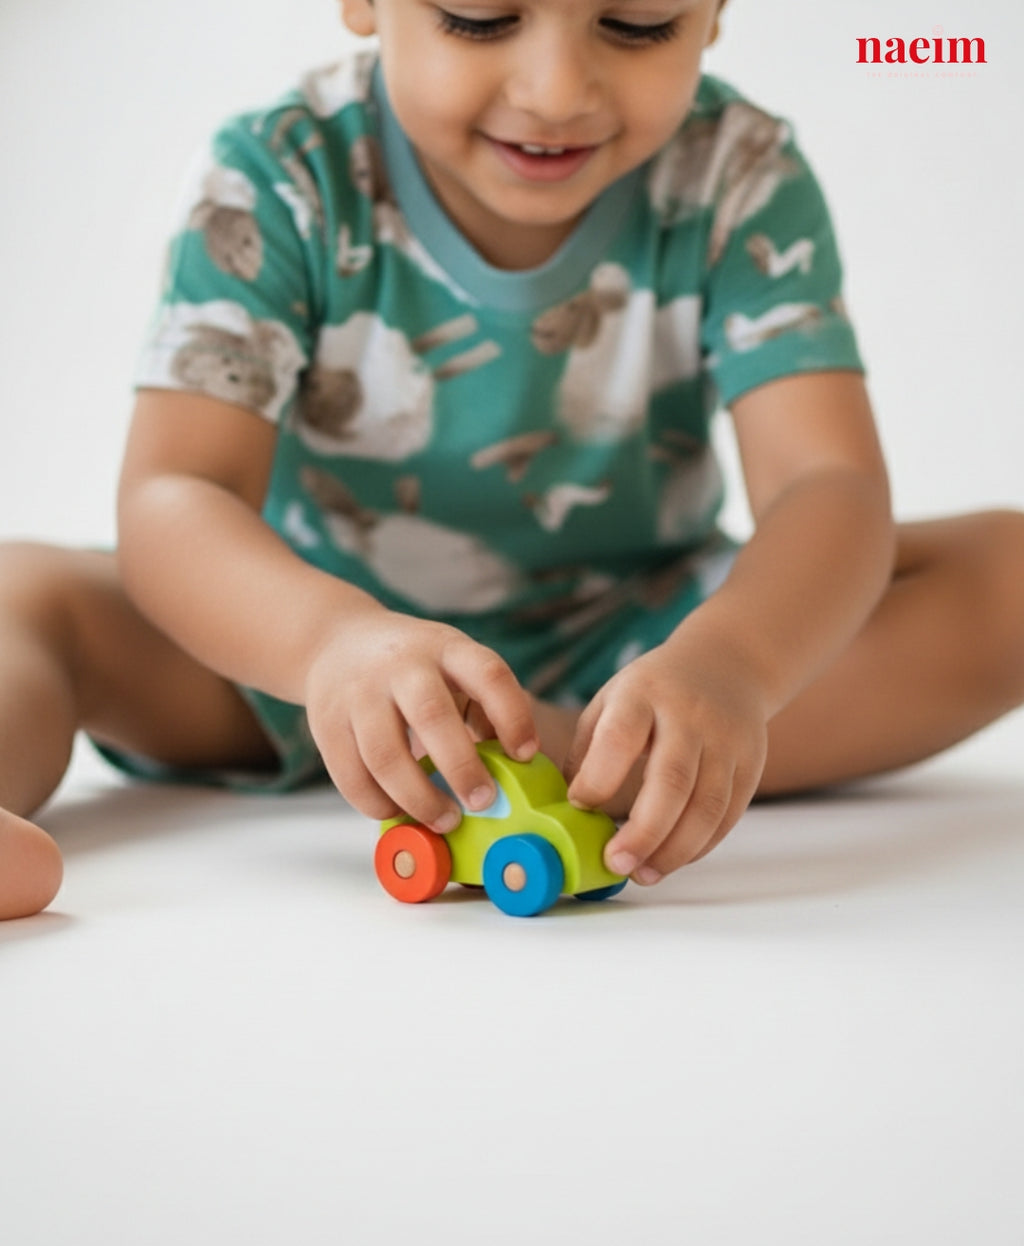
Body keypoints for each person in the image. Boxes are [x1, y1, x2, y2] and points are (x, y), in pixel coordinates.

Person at [2, 0, 1022, 922]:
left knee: (1008, 573)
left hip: (636, 650)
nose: (555, 91)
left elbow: (824, 482)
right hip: (296, 651)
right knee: (27, 593)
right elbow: (179, 491)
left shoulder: (739, 172)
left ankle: (614, 754)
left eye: (636, 25)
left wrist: (734, 666)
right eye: (480, 17)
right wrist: (326, 645)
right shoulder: (280, 170)